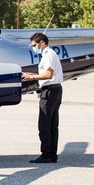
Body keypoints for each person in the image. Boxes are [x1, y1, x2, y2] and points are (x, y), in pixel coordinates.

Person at [22, 32, 64, 163]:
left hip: (49, 91)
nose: (33, 47)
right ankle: (52, 154)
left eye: (34, 45)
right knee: (52, 124)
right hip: (55, 90)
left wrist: (32, 77)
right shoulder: (49, 54)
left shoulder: (48, 54)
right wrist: (28, 74)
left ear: (41, 43)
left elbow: (48, 75)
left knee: (44, 124)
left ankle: (46, 154)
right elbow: (45, 73)